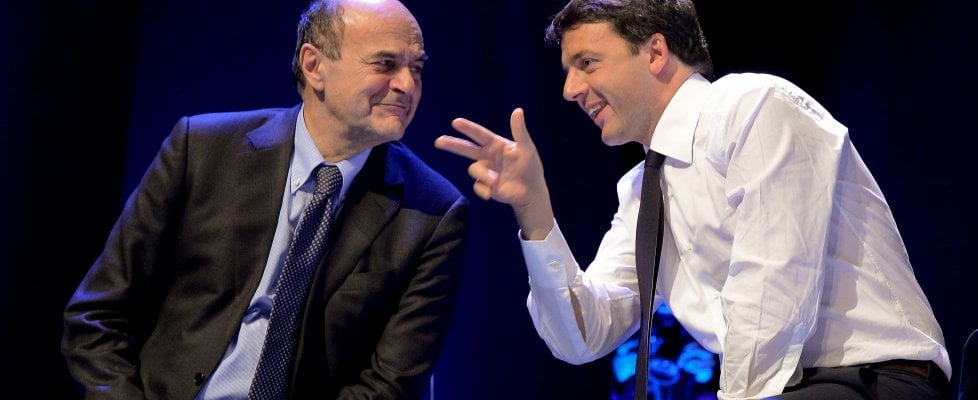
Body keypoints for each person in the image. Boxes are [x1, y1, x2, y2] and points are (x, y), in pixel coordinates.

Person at [434, 0, 949, 399]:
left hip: (873, 381)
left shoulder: (752, 108)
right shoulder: (643, 189)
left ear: (655, 52)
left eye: (587, 63)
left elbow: (771, 296)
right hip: (785, 388)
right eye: (568, 70)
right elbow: (581, 336)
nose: (570, 89)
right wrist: (535, 210)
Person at [61, 0, 468, 399]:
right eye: (385, 64)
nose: (407, 85)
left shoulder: (433, 213)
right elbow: (96, 317)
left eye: (417, 68)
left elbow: (389, 385)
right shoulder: (201, 150)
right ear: (314, 66)